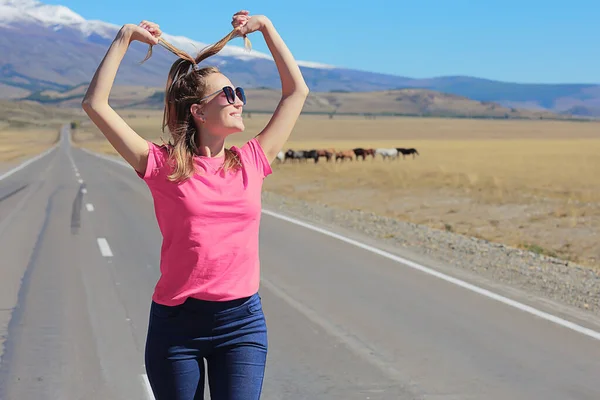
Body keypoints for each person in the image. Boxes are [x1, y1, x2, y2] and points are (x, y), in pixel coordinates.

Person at [81, 10, 309, 400]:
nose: (238, 101)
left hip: (242, 324)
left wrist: (267, 28)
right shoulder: (162, 166)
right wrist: (123, 38)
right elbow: (96, 105)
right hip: (177, 325)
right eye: (227, 94)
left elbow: (296, 92)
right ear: (198, 111)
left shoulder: (251, 161)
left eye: (239, 93)